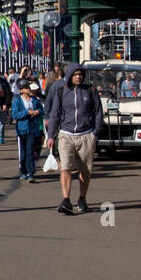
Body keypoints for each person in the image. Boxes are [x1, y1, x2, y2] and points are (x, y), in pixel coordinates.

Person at [45, 63, 103, 215]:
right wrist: (51, 135)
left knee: (85, 170)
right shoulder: (61, 92)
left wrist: (95, 132)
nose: (78, 77)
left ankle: (82, 198)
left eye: (80, 74)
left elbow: (98, 112)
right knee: (65, 167)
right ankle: (66, 199)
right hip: (66, 135)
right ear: (70, 76)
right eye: (75, 74)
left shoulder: (90, 90)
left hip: (86, 135)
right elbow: (55, 114)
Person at [12, 82, 45, 182]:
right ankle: (23, 171)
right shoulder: (17, 101)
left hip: (32, 128)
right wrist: (27, 112)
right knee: (23, 151)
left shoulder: (34, 100)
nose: (28, 89)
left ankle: (30, 173)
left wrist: (38, 112)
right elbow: (15, 115)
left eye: (29, 87)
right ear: (21, 90)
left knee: (30, 151)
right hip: (22, 128)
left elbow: (42, 110)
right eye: (26, 88)